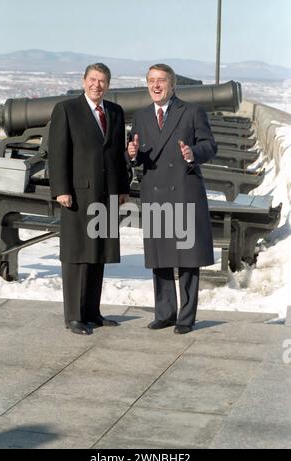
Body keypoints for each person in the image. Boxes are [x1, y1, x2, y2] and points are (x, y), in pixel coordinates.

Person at [127, 64, 217, 334]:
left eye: (161, 81)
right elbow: (140, 154)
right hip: (155, 192)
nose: (156, 86)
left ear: (172, 84)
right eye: (152, 81)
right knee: (160, 256)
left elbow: (210, 145)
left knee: (188, 258)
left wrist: (192, 153)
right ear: (147, 85)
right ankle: (164, 313)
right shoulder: (141, 117)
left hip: (184, 190)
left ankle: (186, 317)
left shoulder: (191, 112)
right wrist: (131, 154)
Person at [48, 63, 130, 335]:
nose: (97, 85)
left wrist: (123, 189)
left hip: (107, 194)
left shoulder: (115, 113)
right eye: (93, 80)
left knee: (98, 254)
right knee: (76, 255)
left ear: (108, 84)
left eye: (103, 81)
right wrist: (61, 188)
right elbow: (58, 152)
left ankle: (92, 312)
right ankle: (73, 316)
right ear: (83, 81)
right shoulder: (67, 110)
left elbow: (117, 156)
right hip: (78, 194)